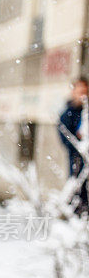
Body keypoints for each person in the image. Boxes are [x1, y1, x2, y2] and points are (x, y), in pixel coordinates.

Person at [58, 76, 89, 214]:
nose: (82, 93)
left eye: (85, 90)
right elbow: (66, 140)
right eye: (79, 90)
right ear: (73, 92)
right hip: (77, 162)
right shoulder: (67, 114)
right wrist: (80, 143)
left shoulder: (86, 112)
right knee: (78, 194)